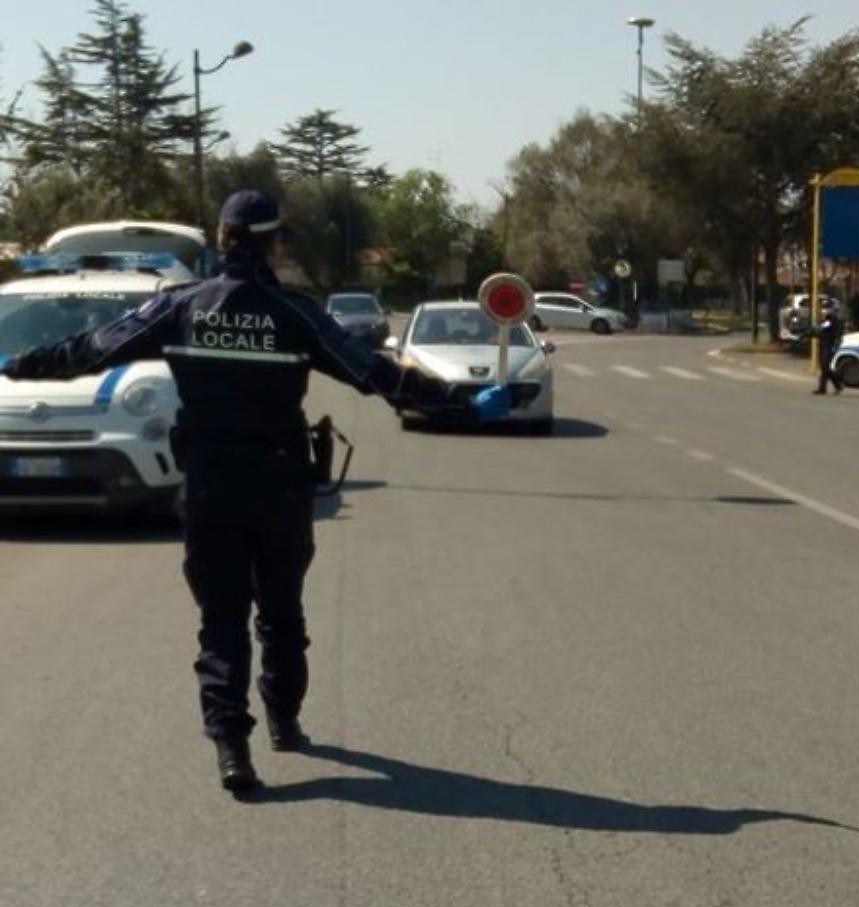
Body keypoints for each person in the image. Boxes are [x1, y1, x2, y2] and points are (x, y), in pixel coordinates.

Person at [1, 190, 497, 794]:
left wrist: (18, 365)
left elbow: (91, 348)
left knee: (221, 619)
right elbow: (374, 372)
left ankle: (231, 748)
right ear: (273, 243)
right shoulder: (295, 313)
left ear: (222, 239)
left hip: (211, 486)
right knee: (281, 613)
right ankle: (284, 720)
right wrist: (458, 402)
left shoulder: (179, 306)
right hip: (279, 485)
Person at [813, 307, 844, 395]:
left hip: (829, 347)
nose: (824, 312)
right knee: (824, 368)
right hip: (823, 345)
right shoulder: (826, 321)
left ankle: (837, 380)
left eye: (827, 310)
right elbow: (820, 332)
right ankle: (837, 385)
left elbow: (838, 335)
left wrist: (835, 346)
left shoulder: (834, 321)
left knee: (825, 367)